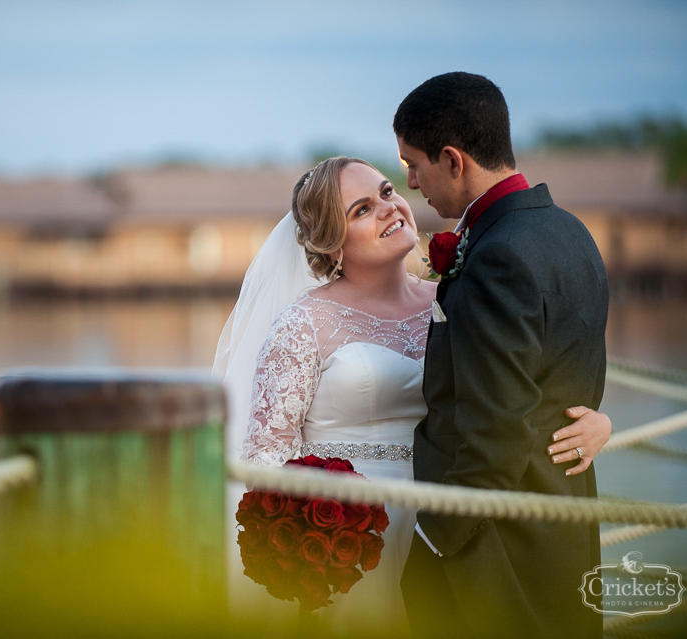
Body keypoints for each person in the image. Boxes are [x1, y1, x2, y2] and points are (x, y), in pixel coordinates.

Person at [216, 152, 611, 632]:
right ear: (330, 243)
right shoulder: (304, 325)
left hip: (449, 526)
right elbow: (266, 459)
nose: (389, 208)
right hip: (348, 542)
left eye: (386, 192)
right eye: (361, 209)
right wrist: (314, 532)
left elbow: (510, 395)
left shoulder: (454, 298)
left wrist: (597, 420)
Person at [394, 72, 609, 638]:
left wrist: (432, 539)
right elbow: (571, 379)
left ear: (453, 159)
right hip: (562, 532)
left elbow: (495, 435)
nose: (411, 183)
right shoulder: (570, 232)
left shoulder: (497, 257)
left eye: (413, 164)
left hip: (493, 557)